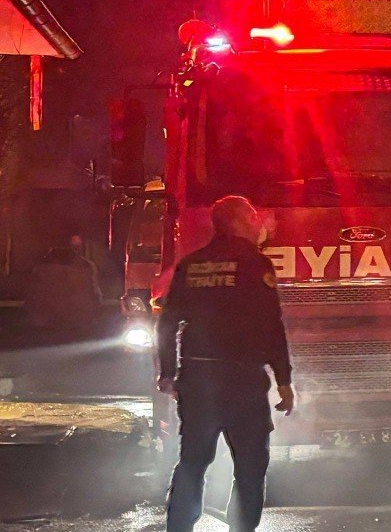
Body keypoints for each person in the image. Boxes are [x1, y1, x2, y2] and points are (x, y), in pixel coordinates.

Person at [156, 196, 294, 532]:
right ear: (239, 221)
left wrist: (167, 373)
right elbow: (270, 323)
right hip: (242, 379)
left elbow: (167, 323)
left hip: (197, 377)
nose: (257, 222)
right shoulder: (253, 262)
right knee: (250, 465)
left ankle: (178, 527)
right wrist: (284, 380)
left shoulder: (191, 264)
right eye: (251, 216)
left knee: (192, 460)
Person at [26, 232, 102, 336]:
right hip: (79, 320)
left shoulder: (41, 267)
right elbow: (95, 292)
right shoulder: (86, 266)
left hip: (48, 320)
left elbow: (33, 294)